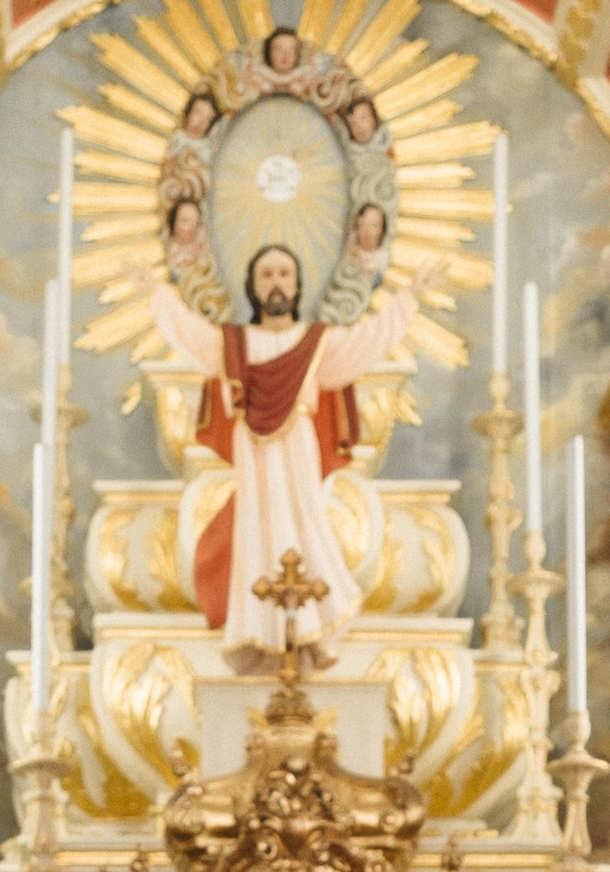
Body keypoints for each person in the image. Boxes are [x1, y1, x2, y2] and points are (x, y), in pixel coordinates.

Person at [153, 241, 426, 665]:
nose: (275, 283)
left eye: (284, 274)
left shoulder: (315, 343)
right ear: (252, 287)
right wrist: (155, 293)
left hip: (299, 450)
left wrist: (410, 299)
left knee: (305, 524)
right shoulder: (234, 345)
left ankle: (314, 622)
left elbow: (366, 342)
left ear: (298, 285)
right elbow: (191, 334)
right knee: (255, 533)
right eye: (266, 274)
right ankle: (256, 629)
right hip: (254, 455)